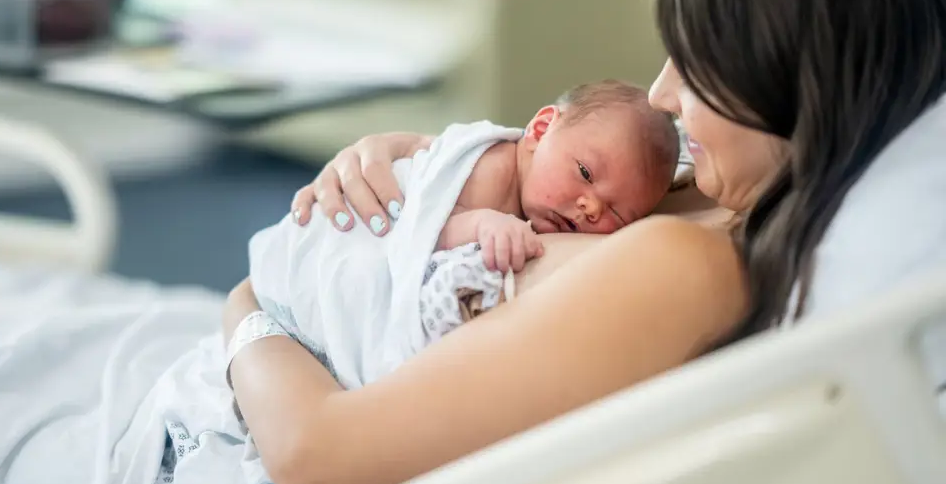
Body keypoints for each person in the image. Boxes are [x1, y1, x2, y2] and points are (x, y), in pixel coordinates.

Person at [0, 0, 945, 484]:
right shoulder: (699, 196)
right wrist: (409, 161)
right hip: (261, 365)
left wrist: (246, 314)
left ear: (794, 78)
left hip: (244, 420)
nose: (665, 93)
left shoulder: (683, 260)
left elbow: (321, 464)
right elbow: (503, 169)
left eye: (702, 64)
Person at [237, 79, 678, 392]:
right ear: (541, 131)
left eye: (618, 212)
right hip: (335, 235)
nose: (591, 207)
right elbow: (427, 226)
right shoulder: (491, 168)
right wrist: (483, 223)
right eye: (585, 173)